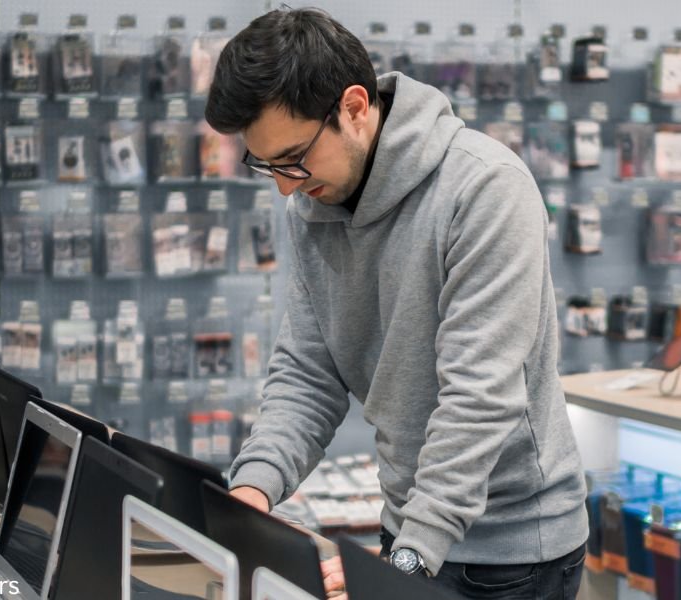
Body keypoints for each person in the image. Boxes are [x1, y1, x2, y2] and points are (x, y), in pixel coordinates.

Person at [205, 8, 588, 598]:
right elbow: (308, 373)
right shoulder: (313, 204)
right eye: (265, 165)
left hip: (512, 553)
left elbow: (479, 397)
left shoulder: (484, 189)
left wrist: (404, 562)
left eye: (291, 158)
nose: (283, 184)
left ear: (354, 107)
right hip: (408, 530)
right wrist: (252, 493)